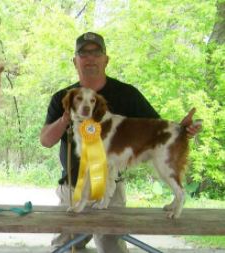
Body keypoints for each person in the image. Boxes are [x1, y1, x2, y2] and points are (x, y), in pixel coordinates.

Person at [40, 32, 201, 253]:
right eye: (83, 53)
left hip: (112, 191)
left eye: (96, 52)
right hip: (72, 189)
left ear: (106, 59)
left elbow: (157, 130)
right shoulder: (64, 97)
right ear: (75, 61)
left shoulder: (128, 94)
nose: (90, 58)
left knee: (112, 248)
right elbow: (46, 140)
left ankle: (176, 199)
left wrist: (182, 131)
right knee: (63, 248)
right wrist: (66, 117)